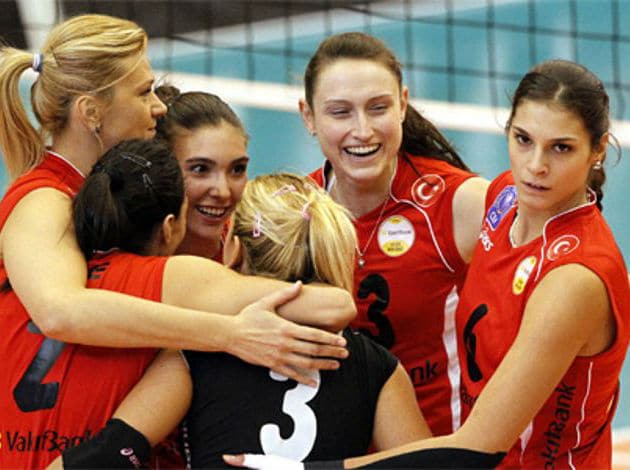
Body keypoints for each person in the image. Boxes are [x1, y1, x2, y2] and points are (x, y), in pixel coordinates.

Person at [226, 59, 630, 469]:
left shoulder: (573, 279)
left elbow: (474, 448)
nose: (535, 165)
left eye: (561, 148)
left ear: (598, 149)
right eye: (523, 139)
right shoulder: (504, 199)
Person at [0, 13, 355, 468]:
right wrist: (229, 334)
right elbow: (61, 312)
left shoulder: (112, 209)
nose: (159, 106)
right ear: (91, 112)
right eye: (143, 92)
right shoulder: (44, 199)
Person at [300, 32, 489, 435]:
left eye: (378, 108)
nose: (363, 130)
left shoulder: (458, 202)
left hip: (436, 446)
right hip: (335, 447)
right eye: (340, 112)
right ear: (309, 117)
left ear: (403, 104)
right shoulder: (295, 213)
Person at [182, 172, 430, 468]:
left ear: (233, 250)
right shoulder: (377, 366)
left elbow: (132, 442)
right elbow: (423, 465)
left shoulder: (196, 343)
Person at [154, 85, 247, 261]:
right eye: (200, 169)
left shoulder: (255, 249)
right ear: (159, 172)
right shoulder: (123, 260)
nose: (223, 192)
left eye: (237, 169)